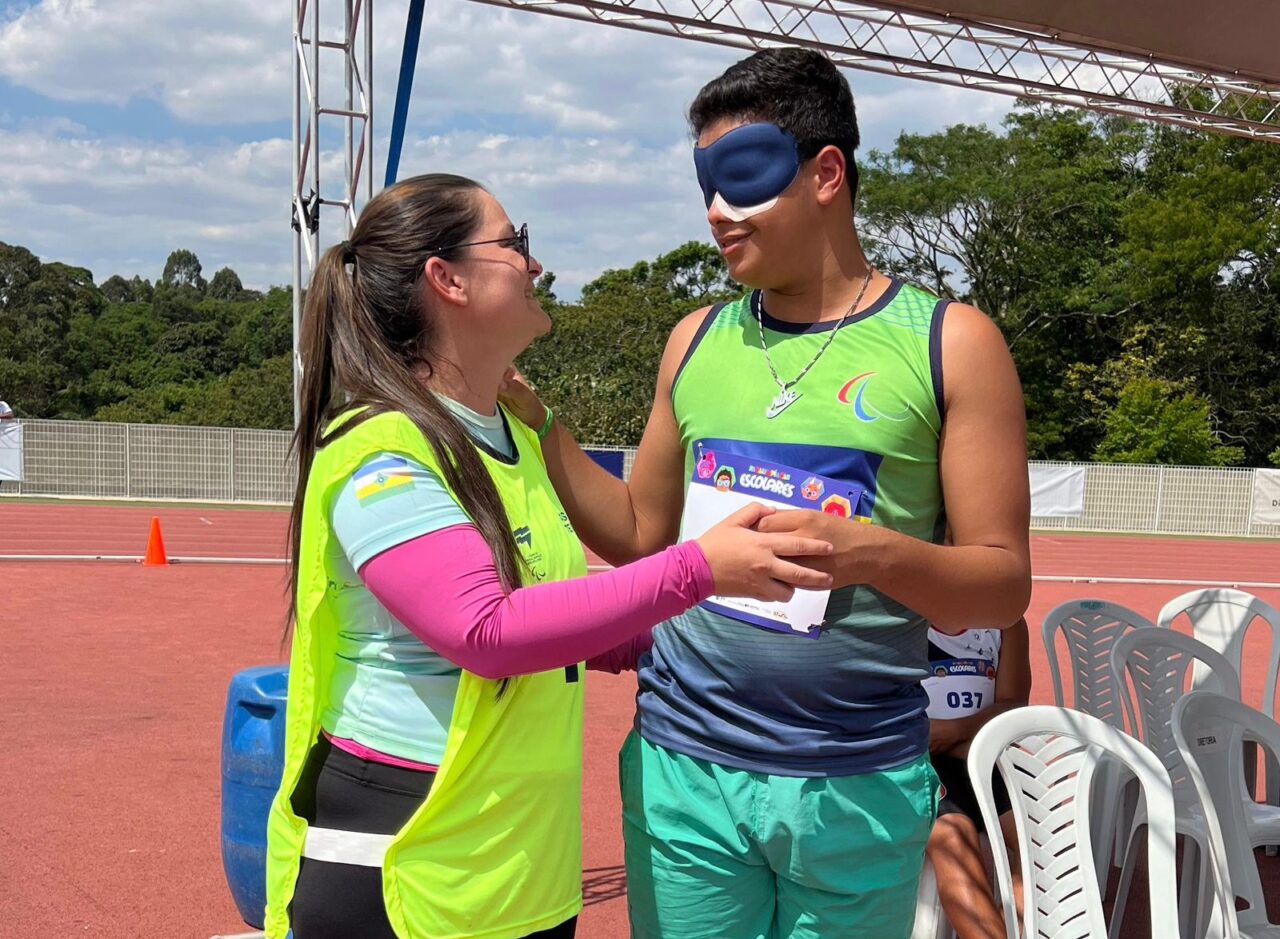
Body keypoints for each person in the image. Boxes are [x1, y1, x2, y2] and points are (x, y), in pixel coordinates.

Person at [500, 48, 1030, 938]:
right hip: (684, 771)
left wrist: (870, 553)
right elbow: (639, 534)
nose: (716, 209)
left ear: (827, 173)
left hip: (855, 784)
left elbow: (1003, 581)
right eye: (704, 182)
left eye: (741, 178)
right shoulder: (694, 340)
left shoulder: (952, 343)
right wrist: (542, 421)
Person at [262, 173, 836, 939]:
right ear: (448, 279)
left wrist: (727, 631)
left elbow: (562, 610)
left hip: (514, 871)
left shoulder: (505, 434)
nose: (535, 265)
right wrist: (697, 569)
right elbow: (486, 630)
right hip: (403, 861)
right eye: (515, 243)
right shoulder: (384, 446)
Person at [924, 617, 1031, 939]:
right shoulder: (901, 618)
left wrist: (957, 731)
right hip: (922, 763)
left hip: (984, 758)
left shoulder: (1006, 623)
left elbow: (1013, 703)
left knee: (1035, 843)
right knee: (954, 837)